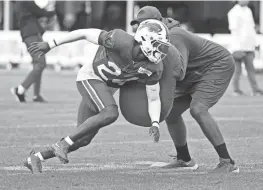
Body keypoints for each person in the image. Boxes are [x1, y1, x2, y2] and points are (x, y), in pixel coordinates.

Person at [23, 19, 172, 173]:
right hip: (90, 78)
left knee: (83, 139)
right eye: (158, 45)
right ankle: (61, 145)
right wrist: (50, 44)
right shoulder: (119, 40)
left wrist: (155, 122)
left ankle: (36, 158)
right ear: (144, 38)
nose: (160, 51)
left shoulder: (154, 68)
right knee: (111, 112)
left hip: (104, 92)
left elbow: (153, 96)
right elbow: (84, 33)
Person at [130, 6, 239, 173]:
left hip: (216, 66)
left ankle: (227, 162)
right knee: (171, 112)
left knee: (198, 109)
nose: (143, 28)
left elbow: (179, 72)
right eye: (139, 24)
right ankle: (184, 159)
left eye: (147, 24)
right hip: (195, 71)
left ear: (159, 22)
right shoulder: (155, 36)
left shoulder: (174, 36)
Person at [11, 0, 56, 103]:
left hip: (30, 34)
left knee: (38, 64)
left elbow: (37, 13)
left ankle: (36, 95)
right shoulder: (25, 2)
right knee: (40, 63)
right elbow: (41, 12)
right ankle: (20, 89)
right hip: (32, 35)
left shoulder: (20, 4)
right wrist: (52, 11)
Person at [228, 0, 263, 96]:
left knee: (251, 69)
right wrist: (237, 47)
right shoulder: (233, 12)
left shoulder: (248, 11)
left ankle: (255, 89)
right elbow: (234, 31)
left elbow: (251, 29)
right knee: (237, 70)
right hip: (238, 46)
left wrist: (253, 44)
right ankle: (236, 90)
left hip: (249, 46)